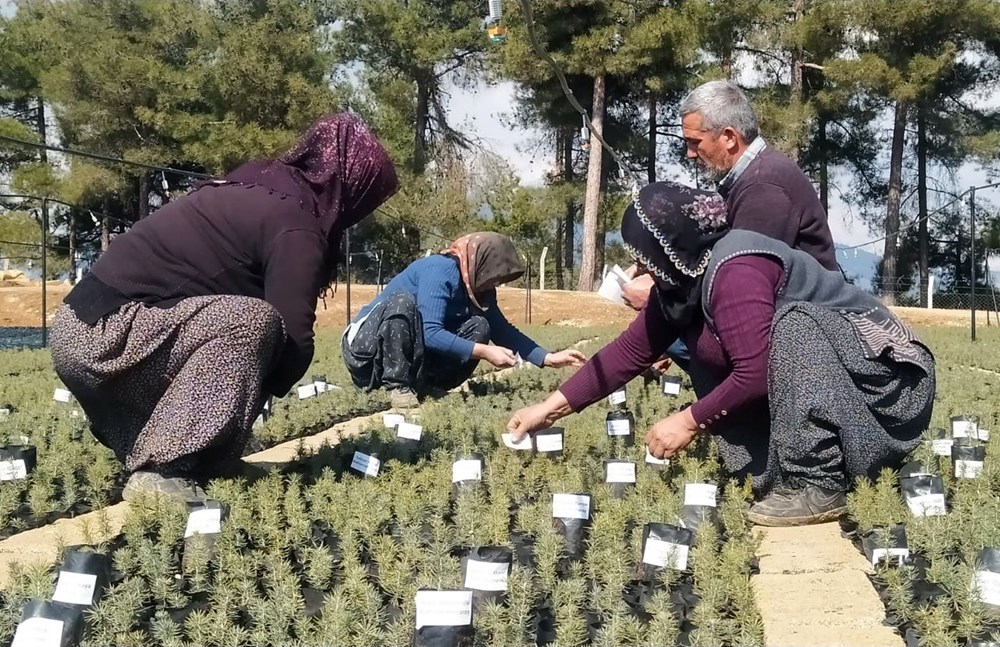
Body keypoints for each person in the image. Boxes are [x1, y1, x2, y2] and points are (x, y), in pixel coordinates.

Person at [508, 182, 935, 527]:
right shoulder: (685, 281)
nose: (639, 268)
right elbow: (628, 352)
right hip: (845, 385)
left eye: (643, 257)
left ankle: (820, 484)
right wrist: (549, 409)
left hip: (887, 387)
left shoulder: (737, 269)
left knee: (792, 327)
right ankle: (795, 469)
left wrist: (688, 420)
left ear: (669, 248)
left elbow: (752, 373)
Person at [50, 113, 400, 503]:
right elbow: (294, 337)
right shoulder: (296, 223)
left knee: (247, 330)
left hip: (81, 329)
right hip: (106, 337)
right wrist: (251, 392)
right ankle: (165, 472)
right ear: (351, 186)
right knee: (255, 324)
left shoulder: (257, 184)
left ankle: (203, 462)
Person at [621, 80, 839, 375]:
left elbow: (738, 281)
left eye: (694, 142)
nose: (690, 153)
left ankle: (723, 415)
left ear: (728, 138)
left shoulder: (764, 186)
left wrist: (659, 294)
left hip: (806, 334)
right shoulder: (752, 177)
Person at [342, 232, 586, 408]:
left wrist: (548, 358)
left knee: (480, 325)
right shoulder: (440, 270)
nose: (496, 284)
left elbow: (502, 330)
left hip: (409, 355)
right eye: (495, 277)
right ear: (481, 265)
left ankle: (427, 385)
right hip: (368, 354)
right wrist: (484, 352)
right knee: (403, 302)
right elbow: (430, 332)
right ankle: (395, 386)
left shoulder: (478, 289)